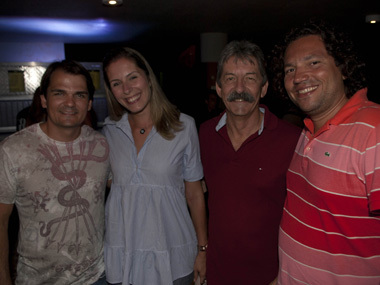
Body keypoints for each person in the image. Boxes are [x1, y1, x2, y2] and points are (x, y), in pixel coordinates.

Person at [271, 20, 380, 284]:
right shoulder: (306, 130)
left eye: (313, 63)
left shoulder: (373, 130)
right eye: (290, 69)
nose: (298, 77)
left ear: (342, 68)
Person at [101, 47, 207, 285]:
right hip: (123, 252)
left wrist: (202, 249)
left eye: (133, 77)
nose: (127, 90)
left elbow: (194, 194)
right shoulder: (109, 131)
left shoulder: (184, 126)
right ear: (110, 90)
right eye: (117, 83)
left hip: (172, 251)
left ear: (148, 77)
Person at [198, 40, 301, 284]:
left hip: (271, 276)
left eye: (250, 79)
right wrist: (201, 250)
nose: (240, 88)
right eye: (231, 78)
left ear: (263, 88)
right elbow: (196, 193)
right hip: (217, 274)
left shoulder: (292, 140)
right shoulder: (204, 134)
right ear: (219, 87)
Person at [0, 60, 110, 285]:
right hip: (36, 280)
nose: (70, 103)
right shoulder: (13, 149)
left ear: (89, 103)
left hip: (97, 276)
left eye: (79, 95)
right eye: (59, 93)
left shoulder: (103, 146)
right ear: (43, 99)